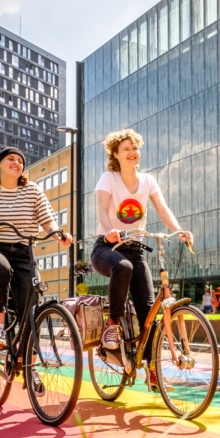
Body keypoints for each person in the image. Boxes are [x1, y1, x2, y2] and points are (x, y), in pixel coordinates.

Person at [90, 129, 192, 392]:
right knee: (122, 267)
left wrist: (179, 230)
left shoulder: (147, 180)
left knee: (149, 312)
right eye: (126, 148)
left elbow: (162, 208)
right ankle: (113, 325)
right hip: (107, 247)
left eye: (135, 147)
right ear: (115, 154)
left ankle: (153, 371)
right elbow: (102, 208)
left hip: (135, 249)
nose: (132, 152)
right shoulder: (109, 178)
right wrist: (109, 230)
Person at [0, 147, 71, 350]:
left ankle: (29, 356)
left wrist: (59, 235)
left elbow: (48, 221)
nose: (16, 163)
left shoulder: (32, 190)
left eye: (20, 161)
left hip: (24, 254)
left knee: (29, 302)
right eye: (11, 159)